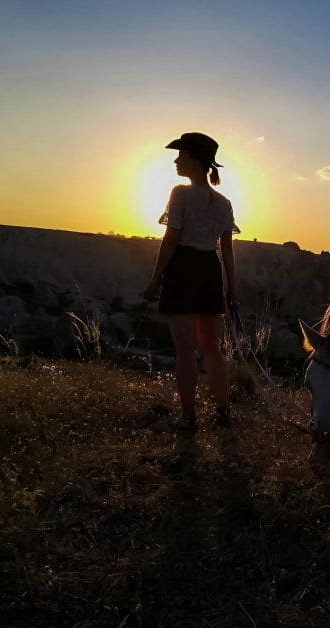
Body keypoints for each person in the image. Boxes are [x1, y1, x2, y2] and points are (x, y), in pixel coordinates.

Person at [142, 132, 237, 431]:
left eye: (181, 155)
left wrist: (155, 280)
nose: (176, 160)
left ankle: (189, 417)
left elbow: (171, 240)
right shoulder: (224, 202)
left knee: (184, 350)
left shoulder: (180, 194)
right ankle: (223, 413)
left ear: (194, 160)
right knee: (212, 348)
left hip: (183, 268)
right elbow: (227, 251)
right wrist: (232, 289)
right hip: (210, 270)